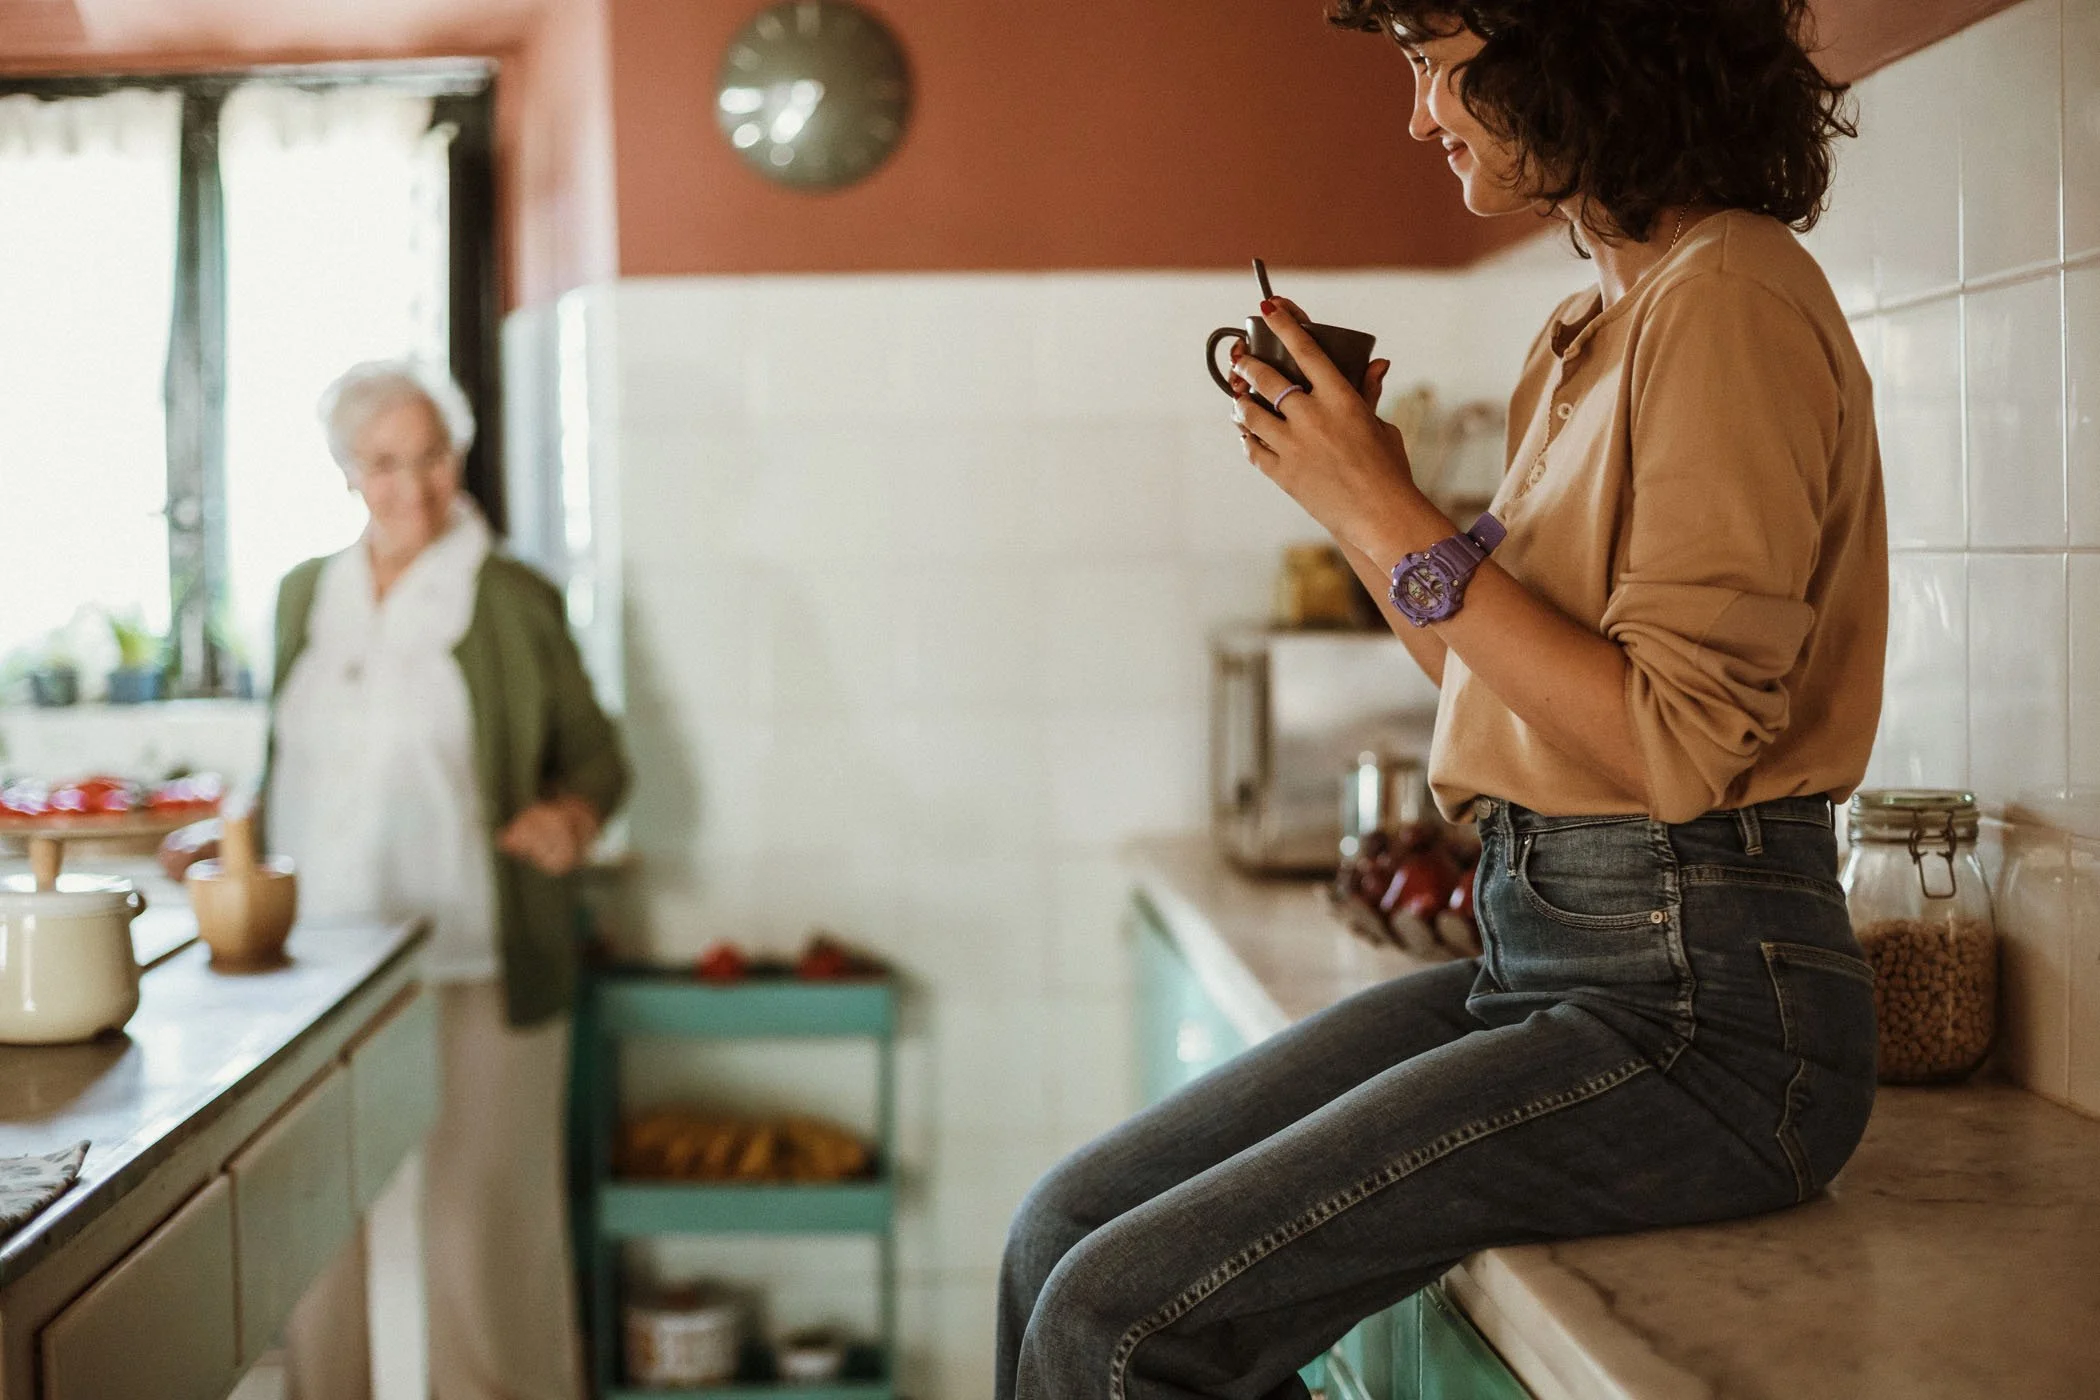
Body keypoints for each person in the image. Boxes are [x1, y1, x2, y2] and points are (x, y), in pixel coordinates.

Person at [997, 2, 1886, 1396]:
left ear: (1586, 48)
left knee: (1117, 1321)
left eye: (1440, 69)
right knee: (1057, 1231)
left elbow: (1678, 742)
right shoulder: (1589, 329)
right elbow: (1499, 688)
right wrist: (1354, 505)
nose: (1420, 116)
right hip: (1543, 962)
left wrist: (1393, 510)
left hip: (1708, 1022)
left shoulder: (1733, 295)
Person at [163, 359, 628, 1400]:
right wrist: (224, 835)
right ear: (346, 472)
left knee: (481, 1222)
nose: (412, 486)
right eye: (384, 463)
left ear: (455, 457)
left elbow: (598, 758)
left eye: (431, 457)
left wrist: (569, 815)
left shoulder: (508, 595)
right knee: (316, 1225)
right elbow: (291, 763)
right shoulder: (305, 594)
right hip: (320, 956)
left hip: (474, 947)